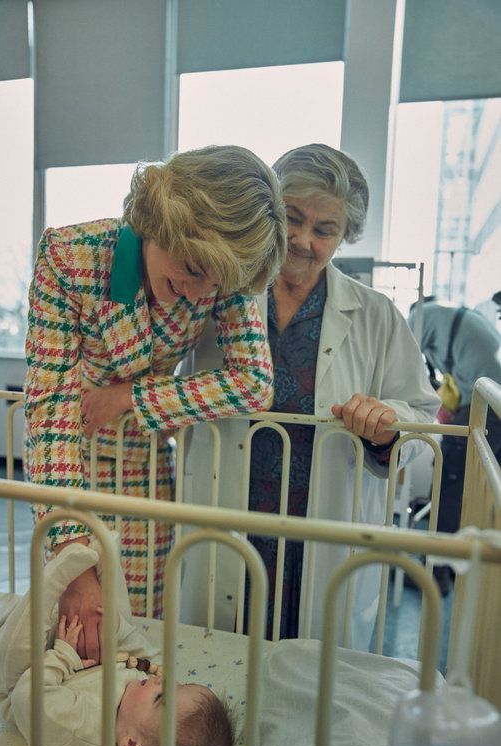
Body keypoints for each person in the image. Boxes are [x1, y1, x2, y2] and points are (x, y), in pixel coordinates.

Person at [23, 144, 287, 663]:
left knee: (138, 626)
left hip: (146, 463)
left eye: (214, 284)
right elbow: (50, 414)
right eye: (190, 269)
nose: (196, 295)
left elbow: (254, 382)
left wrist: (131, 396)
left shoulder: (218, 270)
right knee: (69, 626)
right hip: (67, 461)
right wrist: (72, 556)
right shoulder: (71, 256)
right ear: (160, 223)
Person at [181, 143, 439, 648]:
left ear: (345, 236)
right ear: (271, 212)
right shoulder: (220, 289)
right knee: (211, 679)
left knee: (312, 693)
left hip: (321, 532)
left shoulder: (375, 315)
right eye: (292, 219)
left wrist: (389, 425)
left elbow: (424, 416)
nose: (301, 240)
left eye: (325, 230)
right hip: (227, 513)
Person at [0, 541, 234, 746]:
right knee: (118, 617)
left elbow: (28, 698)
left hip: (22, 681)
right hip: (74, 655)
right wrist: (111, 624)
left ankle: (58, 574)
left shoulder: (85, 735)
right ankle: (99, 558)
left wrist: (63, 656)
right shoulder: (136, 704)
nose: (159, 682)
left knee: (11, 654)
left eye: (160, 698)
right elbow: (138, 648)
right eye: (178, 685)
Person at [408, 299, 501, 537]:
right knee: (483, 485)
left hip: (485, 403)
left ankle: (435, 563)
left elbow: (400, 358)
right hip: (491, 401)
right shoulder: (455, 316)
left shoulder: (420, 315)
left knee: (448, 477)